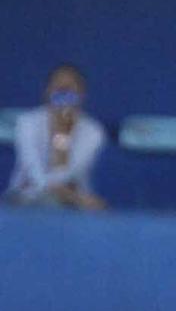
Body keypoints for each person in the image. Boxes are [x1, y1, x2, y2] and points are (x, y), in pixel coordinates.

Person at [5, 64, 108, 211]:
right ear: (47, 92)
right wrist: (71, 196)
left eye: (70, 88)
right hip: (24, 198)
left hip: (73, 204)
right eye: (58, 87)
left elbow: (67, 175)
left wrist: (61, 133)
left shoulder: (93, 132)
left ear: (82, 94)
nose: (64, 93)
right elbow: (36, 175)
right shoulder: (27, 123)